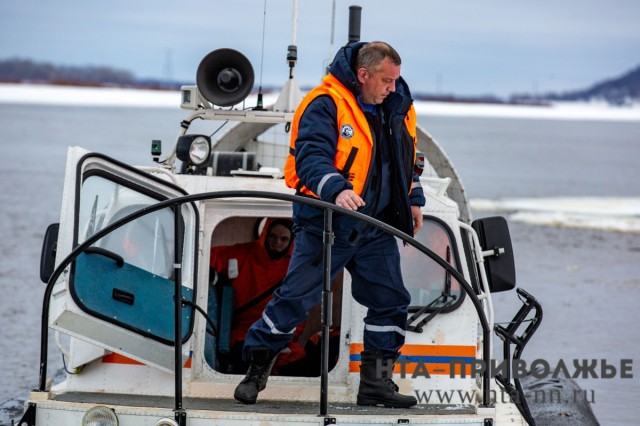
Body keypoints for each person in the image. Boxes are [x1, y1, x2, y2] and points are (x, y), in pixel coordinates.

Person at [234, 41, 426, 408]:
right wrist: (336, 190)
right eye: (386, 80)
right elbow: (311, 159)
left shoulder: (398, 107)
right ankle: (256, 372)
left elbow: (406, 160)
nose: (391, 87)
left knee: (391, 301)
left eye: (395, 80)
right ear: (363, 75)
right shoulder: (324, 104)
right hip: (326, 223)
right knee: (294, 300)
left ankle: (375, 384)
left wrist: (413, 200)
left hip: (375, 225)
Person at [208, 218, 294, 373]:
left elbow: (298, 307)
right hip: (240, 332)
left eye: (284, 239)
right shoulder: (244, 254)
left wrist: (291, 338)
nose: (277, 243)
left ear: (291, 240)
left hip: (276, 333)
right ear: (265, 234)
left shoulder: (294, 268)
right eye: (273, 237)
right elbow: (209, 256)